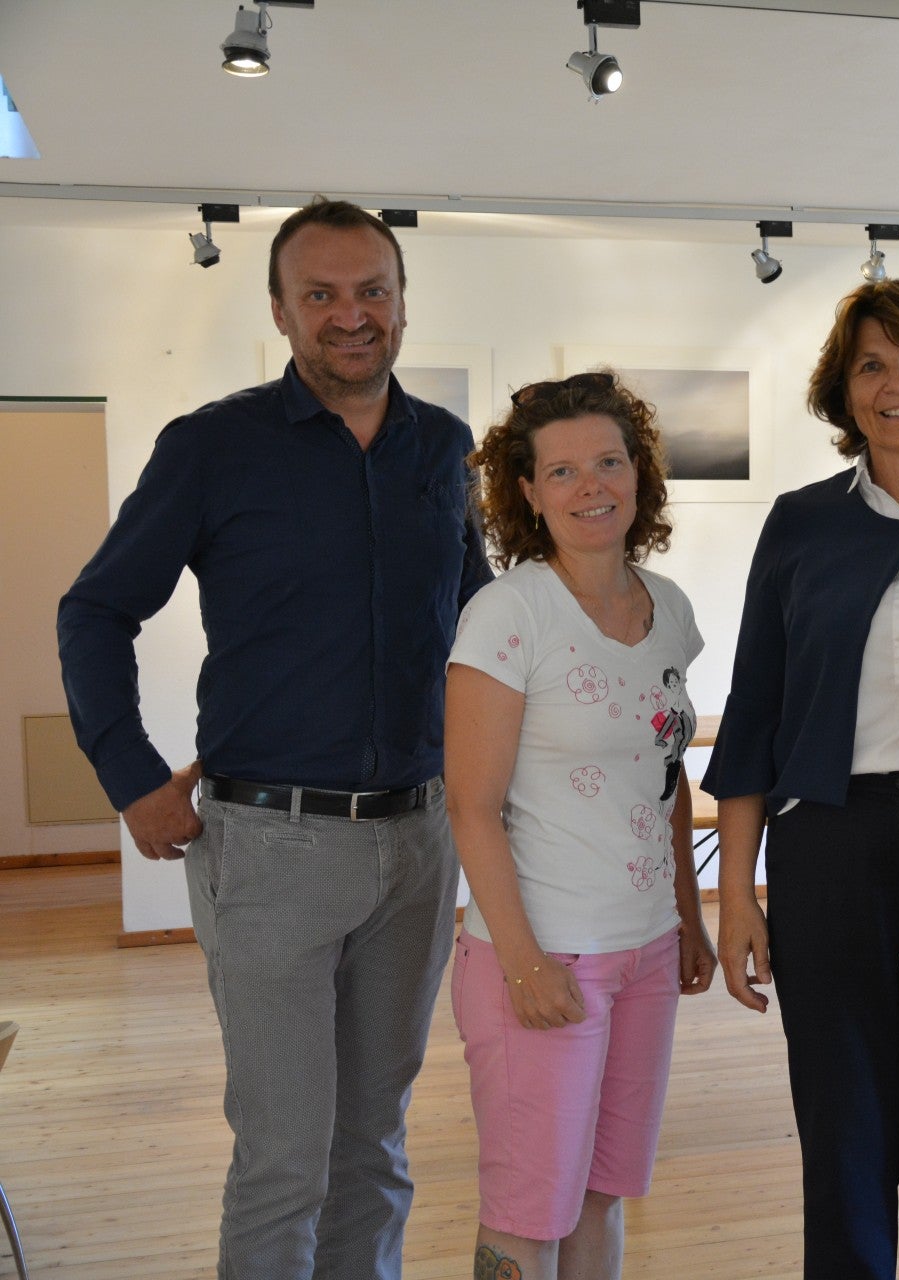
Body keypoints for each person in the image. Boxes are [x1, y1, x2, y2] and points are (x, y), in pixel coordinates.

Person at [55, 197, 492, 1279]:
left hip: (420, 838)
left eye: (372, 291)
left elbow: (477, 625)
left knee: (376, 1145)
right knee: (286, 1156)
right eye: (323, 295)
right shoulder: (213, 447)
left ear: (402, 300)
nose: (352, 315)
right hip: (269, 849)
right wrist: (130, 773)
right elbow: (95, 610)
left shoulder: (442, 447)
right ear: (282, 312)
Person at [703, 279, 899, 1280]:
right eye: (871, 364)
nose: (897, 382)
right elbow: (753, 714)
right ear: (844, 391)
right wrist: (738, 892)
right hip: (827, 846)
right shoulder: (801, 524)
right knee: (842, 1126)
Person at [444, 370, 716, 1280]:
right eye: (562, 471)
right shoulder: (509, 614)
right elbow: (470, 807)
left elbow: (664, 780)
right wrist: (521, 960)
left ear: (640, 473)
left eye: (609, 461)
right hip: (545, 953)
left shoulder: (668, 608)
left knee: (601, 1193)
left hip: (643, 949)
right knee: (529, 1211)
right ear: (526, 492)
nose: (591, 486)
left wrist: (689, 916)